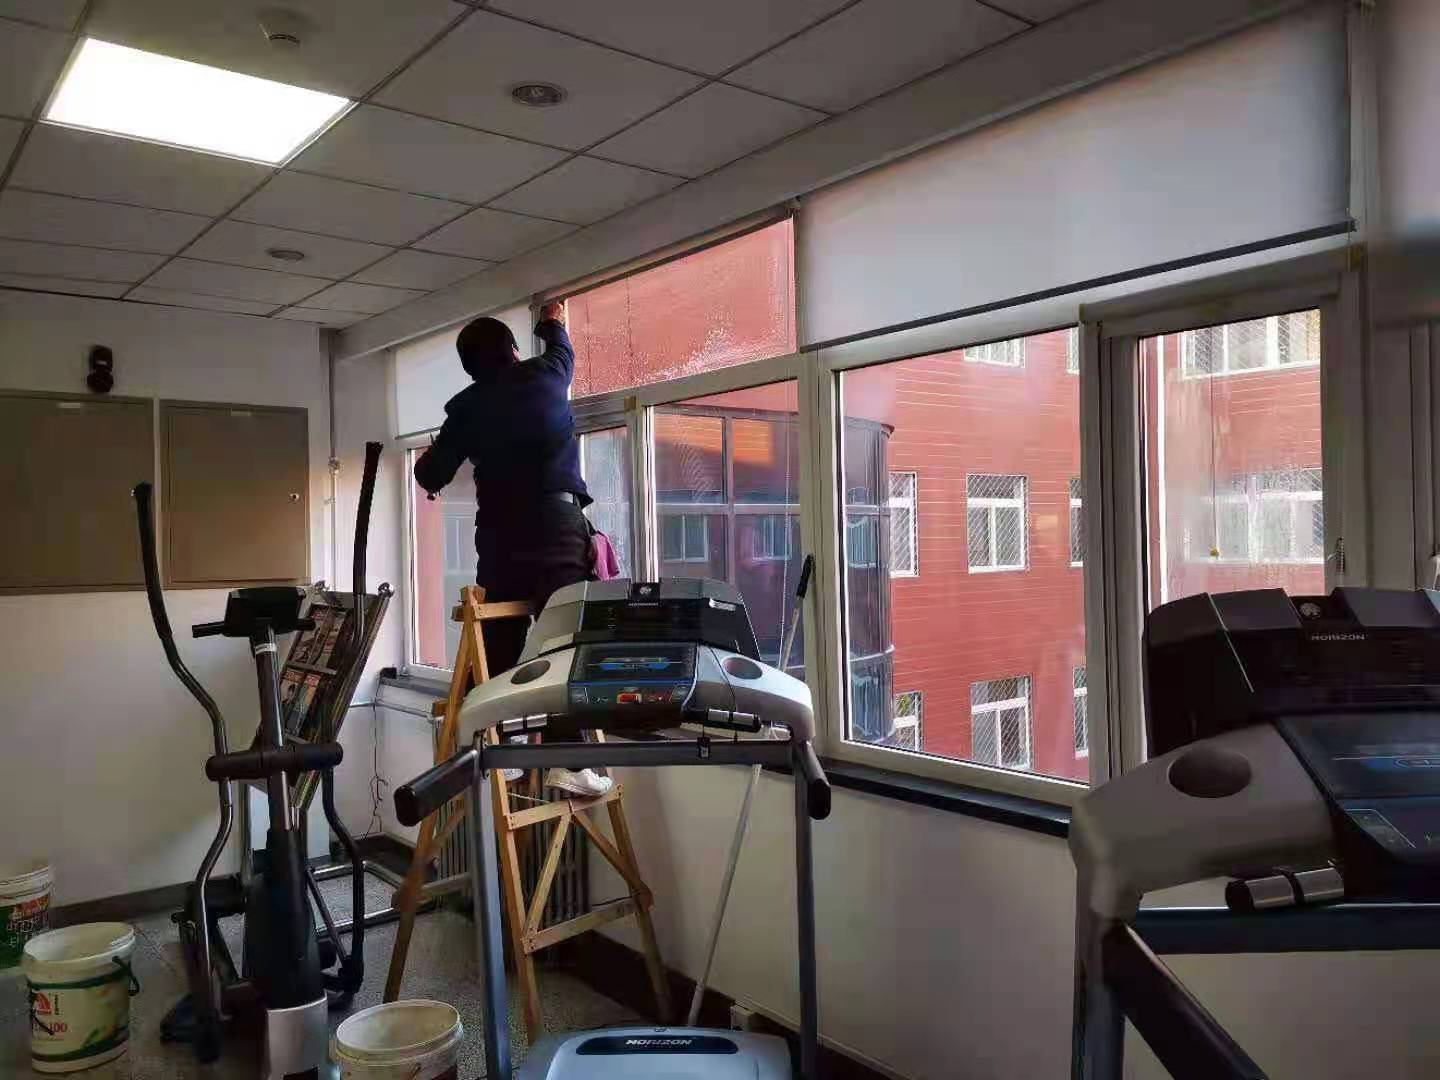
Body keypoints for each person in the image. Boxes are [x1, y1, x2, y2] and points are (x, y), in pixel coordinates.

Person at [413, 300, 609, 795]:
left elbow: (430, 475)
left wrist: (435, 451)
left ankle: (503, 747)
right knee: (565, 639)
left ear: (470, 369)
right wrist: (553, 317)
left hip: (501, 534)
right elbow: (561, 344)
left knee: (501, 638)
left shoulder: (466, 407)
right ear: (515, 350)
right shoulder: (548, 374)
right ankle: (569, 760)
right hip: (554, 525)